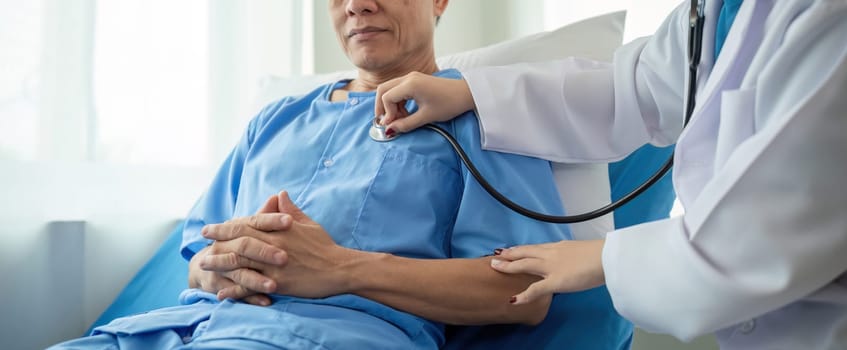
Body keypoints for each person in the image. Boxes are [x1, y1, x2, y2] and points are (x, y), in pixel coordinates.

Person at [49, 0, 626, 348]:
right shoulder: (273, 120)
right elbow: (199, 253)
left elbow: (524, 295)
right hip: (169, 331)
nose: (357, 2)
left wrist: (340, 269)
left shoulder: (481, 120)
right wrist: (214, 269)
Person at [372, 0, 847, 349]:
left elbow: (760, 245)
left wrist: (600, 259)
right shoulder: (719, 11)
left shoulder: (828, 19)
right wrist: (472, 94)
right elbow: (631, 89)